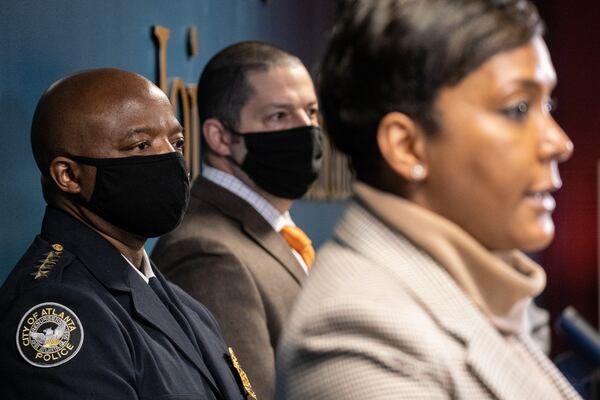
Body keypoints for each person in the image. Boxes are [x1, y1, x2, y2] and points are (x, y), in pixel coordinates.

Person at [276, 1, 583, 399]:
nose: (560, 143)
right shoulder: (357, 336)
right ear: (407, 147)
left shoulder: (468, 290)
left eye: (549, 105)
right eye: (518, 108)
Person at [0, 68, 252, 399]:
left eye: (176, 142)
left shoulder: (175, 298)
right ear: (68, 175)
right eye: (140, 146)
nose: (170, 159)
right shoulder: (58, 313)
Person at [151, 41, 322, 399]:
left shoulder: (274, 229)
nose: (306, 129)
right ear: (220, 137)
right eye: (279, 116)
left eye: (311, 112)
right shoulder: (208, 254)